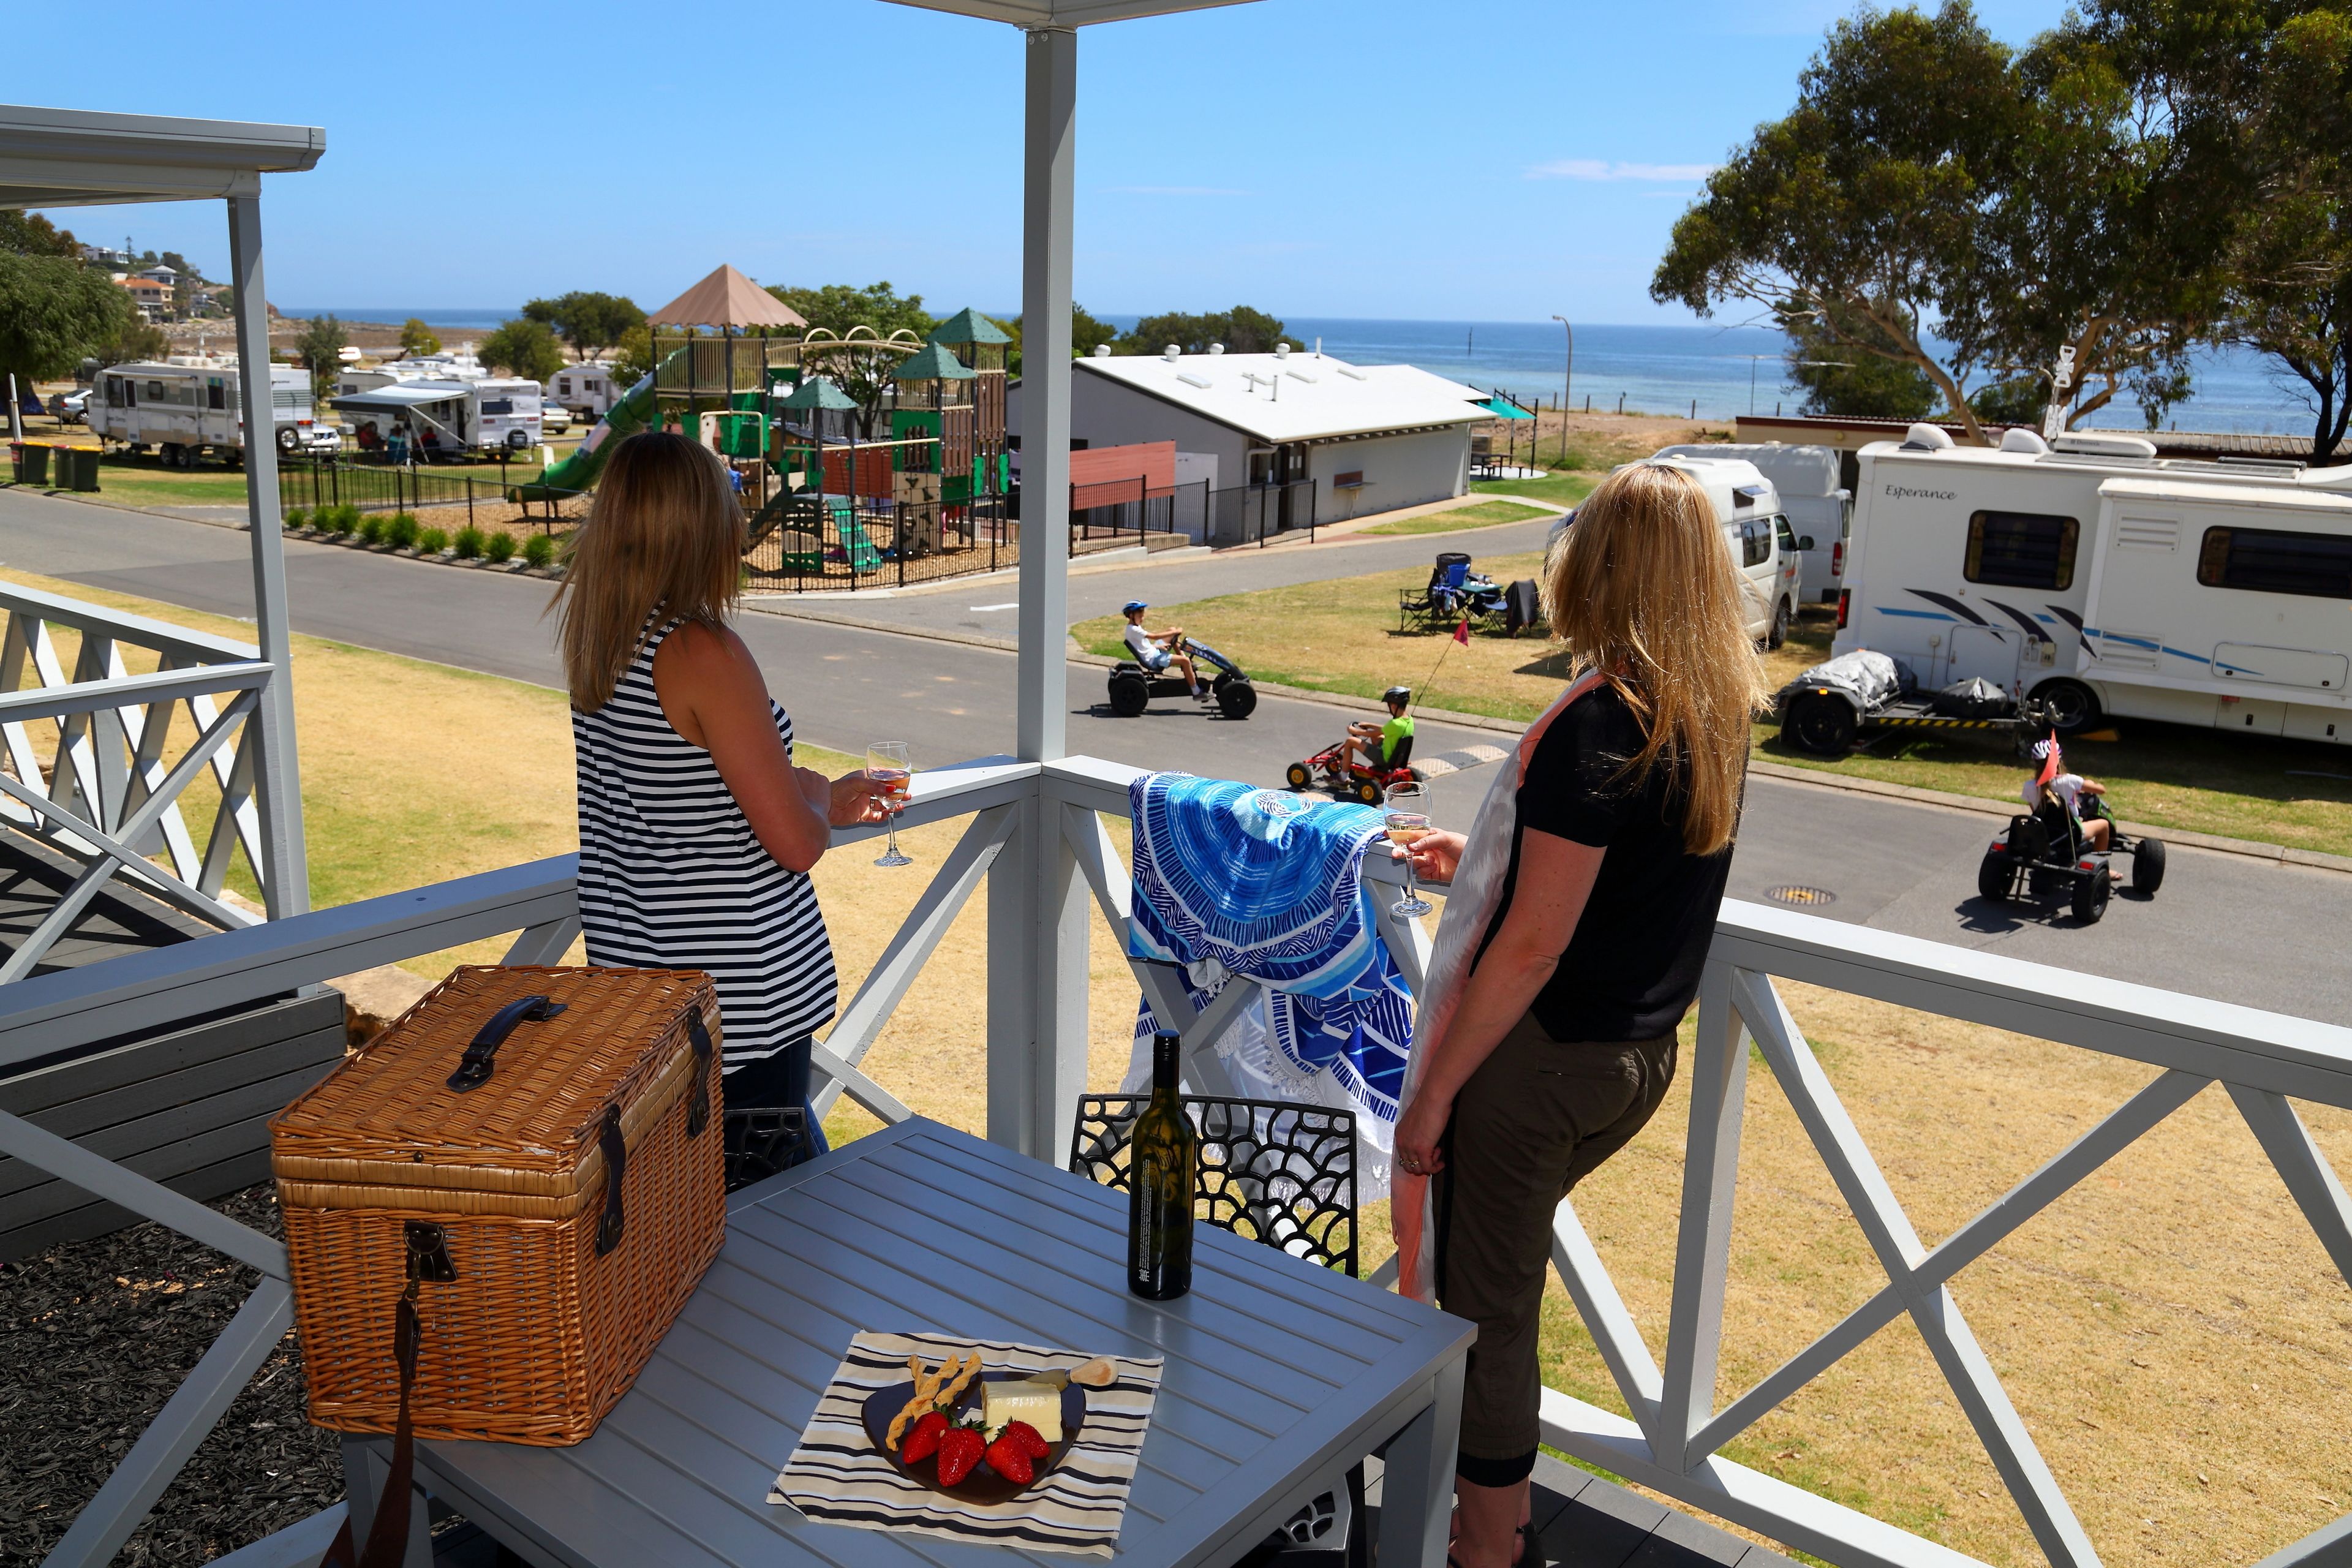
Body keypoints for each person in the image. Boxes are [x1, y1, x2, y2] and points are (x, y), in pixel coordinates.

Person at [1386, 462, 1767, 1568]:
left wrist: (1435, 1100)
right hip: (1638, 1062)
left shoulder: (1599, 725)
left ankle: (1492, 1545)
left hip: (1542, 1070)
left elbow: (1537, 946)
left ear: (1597, 568)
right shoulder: (1712, 706)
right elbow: (1620, 876)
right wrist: (1482, 865)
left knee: (1487, 1306)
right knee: (1499, 1283)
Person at [556, 431, 894, 1184]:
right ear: (700, 526)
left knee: (685, 1222)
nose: (741, 520)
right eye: (730, 503)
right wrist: (812, 798)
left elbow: (680, 796)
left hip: (647, 987)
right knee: (781, 1227)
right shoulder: (700, 650)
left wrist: (814, 795)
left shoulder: (605, 640)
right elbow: (795, 845)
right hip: (738, 1002)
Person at [2024, 737, 2112, 854]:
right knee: (2104, 825)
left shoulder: (2029, 786)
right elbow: (2101, 790)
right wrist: (2090, 783)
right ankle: (2103, 864)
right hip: (2070, 834)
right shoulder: (2070, 781)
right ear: (2059, 762)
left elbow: (2038, 811)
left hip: (2044, 832)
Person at [1120, 600, 1207, 701]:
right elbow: (1155, 636)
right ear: (1131, 615)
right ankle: (1196, 692)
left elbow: (1143, 646)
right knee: (1186, 661)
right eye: (1140, 616)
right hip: (1154, 659)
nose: (1142, 619)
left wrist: (1158, 646)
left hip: (1154, 651)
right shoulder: (1134, 630)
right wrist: (1177, 631)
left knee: (1171, 631)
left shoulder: (1134, 627)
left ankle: (1185, 663)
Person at [1346, 685, 1415, 771]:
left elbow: (1372, 733)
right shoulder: (1409, 719)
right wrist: (1369, 725)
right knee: (1377, 737)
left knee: (1351, 741)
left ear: (1393, 706)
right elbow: (1385, 729)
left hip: (1385, 759)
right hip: (1396, 757)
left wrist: (1355, 731)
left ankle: (1343, 776)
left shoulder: (1395, 723)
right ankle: (1376, 768)